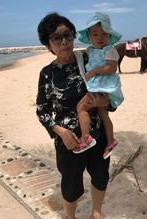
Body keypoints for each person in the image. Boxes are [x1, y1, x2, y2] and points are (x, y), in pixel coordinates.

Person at [36, 12, 114, 219]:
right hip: (69, 143)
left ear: (73, 36)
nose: (64, 42)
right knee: (70, 185)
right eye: (56, 38)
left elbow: (110, 89)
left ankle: (96, 213)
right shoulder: (47, 73)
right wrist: (61, 132)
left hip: (97, 135)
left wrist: (106, 103)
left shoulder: (89, 59)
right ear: (48, 44)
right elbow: (42, 110)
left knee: (100, 177)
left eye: (67, 35)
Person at [74, 12, 124, 159]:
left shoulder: (110, 50)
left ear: (109, 35)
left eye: (103, 34)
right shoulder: (91, 50)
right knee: (103, 115)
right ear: (89, 37)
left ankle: (85, 137)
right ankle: (111, 141)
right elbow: (84, 53)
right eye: (95, 34)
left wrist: (95, 70)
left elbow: (112, 68)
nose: (99, 38)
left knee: (81, 107)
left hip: (103, 86)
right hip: (98, 86)